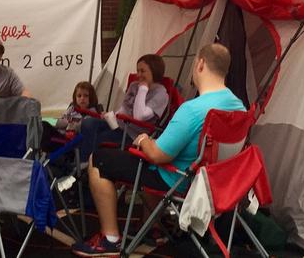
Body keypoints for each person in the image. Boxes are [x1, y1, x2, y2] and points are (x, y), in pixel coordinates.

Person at [72, 43, 246, 257]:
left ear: (200, 64)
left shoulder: (193, 109)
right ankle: (149, 228)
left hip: (180, 181)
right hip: (217, 183)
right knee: (147, 165)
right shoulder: (239, 107)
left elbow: (157, 154)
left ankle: (110, 238)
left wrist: (144, 140)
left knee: (98, 159)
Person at [77, 54, 169, 156]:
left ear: (154, 71)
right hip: (117, 125)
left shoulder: (161, 94)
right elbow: (124, 108)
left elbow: (140, 116)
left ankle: (87, 164)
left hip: (131, 134)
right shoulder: (134, 85)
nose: (138, 75)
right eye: (137, 71)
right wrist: (111, 116)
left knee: (97, 137)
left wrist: (143, 89)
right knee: (88, 123)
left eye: (142, 71)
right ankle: (84, 161)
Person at [40, 81, 101, 152]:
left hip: (73, 142)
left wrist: (67, 123)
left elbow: (80, 127)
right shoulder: (72, 109)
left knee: (46, 128)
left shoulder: (93, 113)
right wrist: (59, 122)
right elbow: (62, 120)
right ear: (75, 98)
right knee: (42, 124)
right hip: (62, 135)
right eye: (79, 96)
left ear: (91, 97)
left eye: (86, 96)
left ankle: (45, 155)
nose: (82, 98)